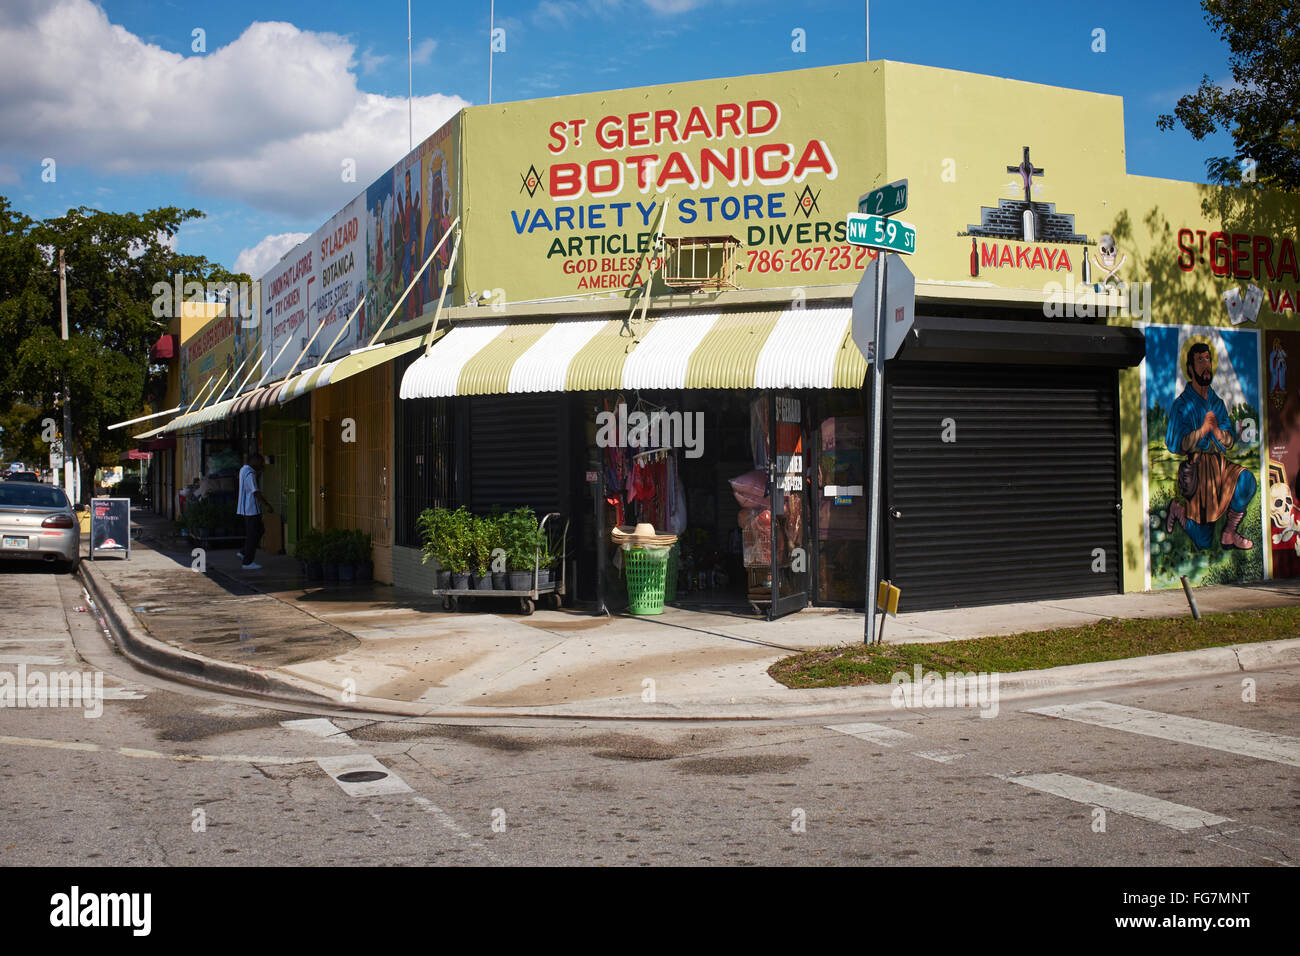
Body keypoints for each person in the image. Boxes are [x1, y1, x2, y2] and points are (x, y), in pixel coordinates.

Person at [1165, 342, 1258, 549]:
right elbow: (1176, 444)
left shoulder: (1217, 403)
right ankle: (1178, 509)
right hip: (1199, 471)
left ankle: (1229, 533)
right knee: (1203, 540)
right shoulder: (1181, 405)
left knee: (1246, 480)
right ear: (1190, 368)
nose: (1206, 365)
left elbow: (1230, 440)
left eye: (1208, 359)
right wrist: (1202, 430)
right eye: (1200, 360)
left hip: (1220, 466)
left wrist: (1216, 431)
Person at [236, 453, 274, 570]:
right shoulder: (250, 473)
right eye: (260, 462)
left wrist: (260, 473)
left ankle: (244, 552)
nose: (261, 464)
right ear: (254, 461)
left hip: (246, 508)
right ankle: (247, 562)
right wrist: (267, 505)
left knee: (258, 531)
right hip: (251, 509)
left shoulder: (244, 469)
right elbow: (255, 491)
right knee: (253, 534)